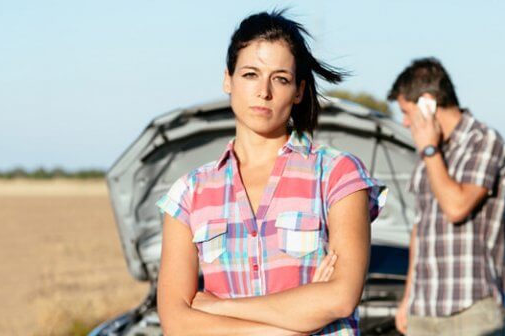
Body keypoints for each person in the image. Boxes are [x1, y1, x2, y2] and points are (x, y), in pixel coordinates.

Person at [155, 10, 385, 336]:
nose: (264, 91)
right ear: (227, 79)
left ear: (299, 90)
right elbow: (177, 323)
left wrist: (220, 307)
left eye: (280, 78)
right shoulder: (188, 194)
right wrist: (297, 323)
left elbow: (341, 297)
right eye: (250, 74)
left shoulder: (338, 174)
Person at [388, 58, 505, 336]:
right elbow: (421, 228)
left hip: (471, 308)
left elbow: (456, 207)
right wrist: (408, 298)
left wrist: (430, 151)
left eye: (407, 112)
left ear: (427, 103)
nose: (405, 123)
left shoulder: (484, 141)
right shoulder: (429, 151)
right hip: (423, 310)